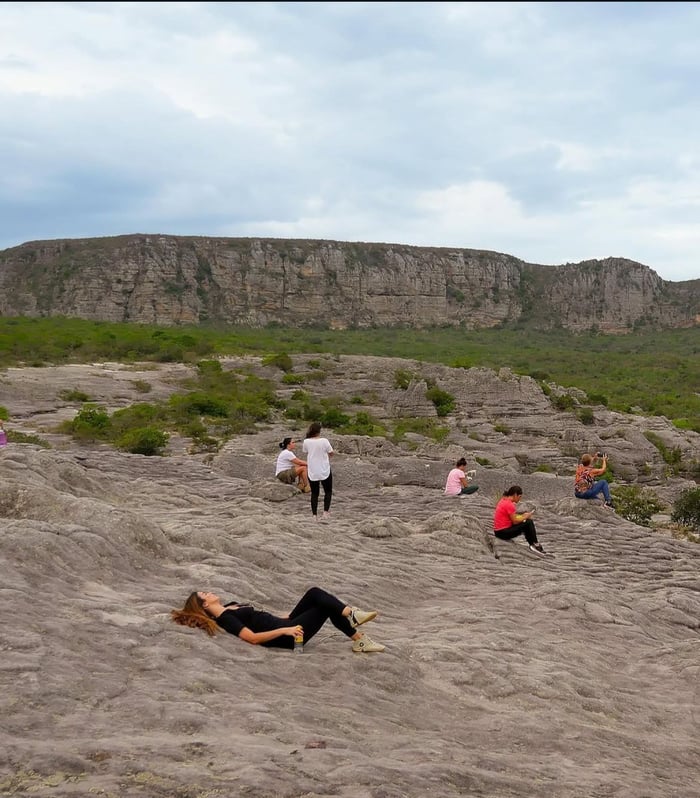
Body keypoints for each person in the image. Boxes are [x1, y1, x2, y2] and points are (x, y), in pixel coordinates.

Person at [171, 585, 385, 653]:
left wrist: (284, 620)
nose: (208, 592)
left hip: (285, 623)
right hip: (287, 635)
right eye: (204, 595)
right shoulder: (227, 618)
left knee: (314, 594)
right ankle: (356, 626)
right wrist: (285, 631)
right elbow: (252, 638)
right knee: (323, 607)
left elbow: (260, 619)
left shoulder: (229, 606)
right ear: (205, 605)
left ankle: (356, 627)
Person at [493, 485, 549, 557]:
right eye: (519, 497)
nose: (520, 499)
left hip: (498, 531)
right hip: (503, 532)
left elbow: (513, 517)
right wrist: (525, 517)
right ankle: (535, 544)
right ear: (515, 495)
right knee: (528, 522)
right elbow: (515, 521)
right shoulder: (509, 504)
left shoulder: (503, 500)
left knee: (526, 522)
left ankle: (533, 544)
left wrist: (523, 516)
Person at [302, 421, 334, 520]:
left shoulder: (306, 441)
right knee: (328, 491)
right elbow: (331, 452)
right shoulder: (324, 441)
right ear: (319, 431)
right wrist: (327, 457)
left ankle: (314, 515)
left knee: (314, 493)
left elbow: (305, 451)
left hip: (313, 470)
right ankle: (325, 512)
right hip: (324, 469)